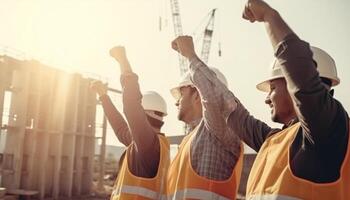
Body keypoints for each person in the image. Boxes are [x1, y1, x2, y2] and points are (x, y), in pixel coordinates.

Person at [227, 0, 349, 199]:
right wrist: (194, 64)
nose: (267, 99)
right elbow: (231, 112)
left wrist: (269, 16)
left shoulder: (328, 132)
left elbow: (302, 79)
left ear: (293, 86)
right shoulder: (274, 140)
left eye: (273, 88)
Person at [167, 36, 243, 200]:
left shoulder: (219, 130)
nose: (177, 102)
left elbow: (215, 97)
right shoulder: (190, 141)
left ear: (197, 95)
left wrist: (190, 55)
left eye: (181, 93)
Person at [90, 46, 170, 200]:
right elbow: (121, 130)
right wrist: (103, 96)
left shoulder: (148, 145)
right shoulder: (148, 145)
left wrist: (122, 60)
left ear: (143, 113)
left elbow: (132, 104)